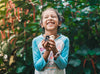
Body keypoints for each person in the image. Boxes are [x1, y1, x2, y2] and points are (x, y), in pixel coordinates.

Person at [32, 8, 69, 74]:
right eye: (46, 17)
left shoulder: (64, 40)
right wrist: (47, 51)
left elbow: (63, 65)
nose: (50, 18)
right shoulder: (36, 41)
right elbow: (38, 67)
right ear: (42, 24)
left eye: (53, 16)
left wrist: (55, 50)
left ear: (59, 23)